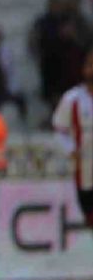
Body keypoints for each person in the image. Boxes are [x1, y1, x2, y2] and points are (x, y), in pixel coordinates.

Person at [52, 47, 93, 230]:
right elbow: (59, 130)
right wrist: (71, 150)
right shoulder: (72, 99)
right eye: (91, 65)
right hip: (85, 171)